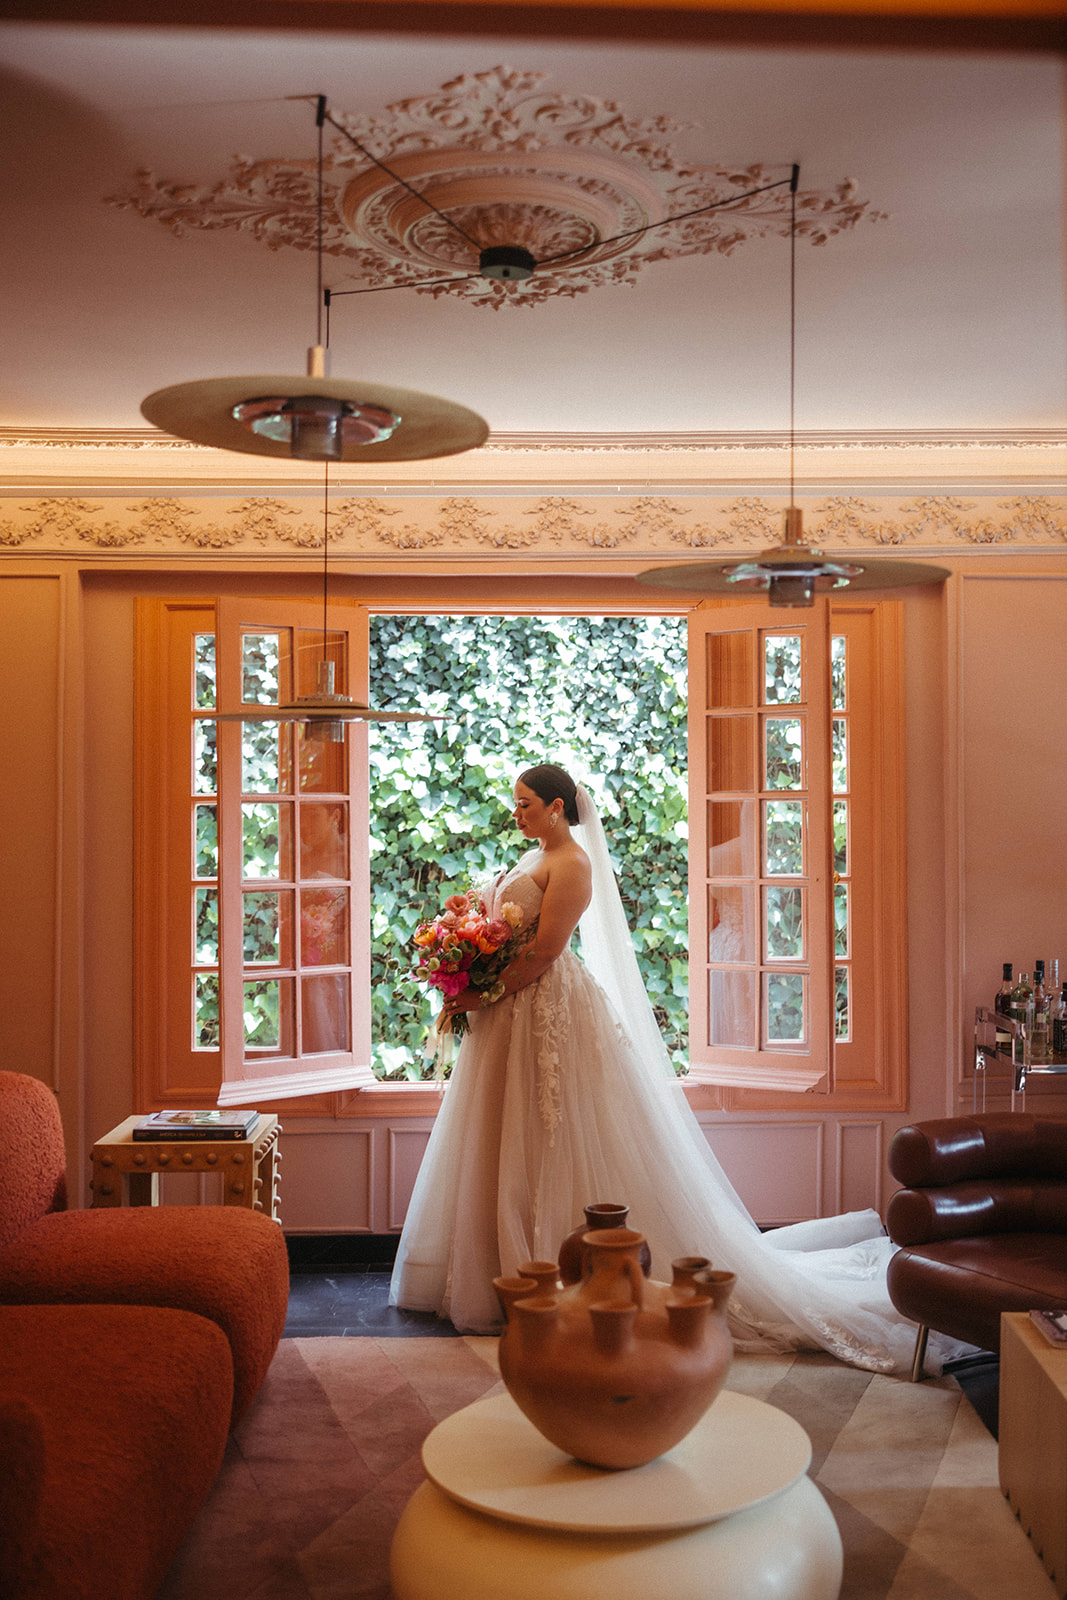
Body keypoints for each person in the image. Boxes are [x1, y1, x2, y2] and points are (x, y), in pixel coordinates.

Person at [389, 764, 967, 1374]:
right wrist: (467, 956)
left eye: (526, 803)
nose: (517, 813)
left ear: (558, 807)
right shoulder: (533, 857)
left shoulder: (574, 865)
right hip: (508, 1013)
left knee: (554, 1131)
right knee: (504, 1132)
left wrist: (481, 993)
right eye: (517, 803)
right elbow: (510, 936)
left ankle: (566, 1276)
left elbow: (545, 951)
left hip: (542, 1011)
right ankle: (502, 1270)